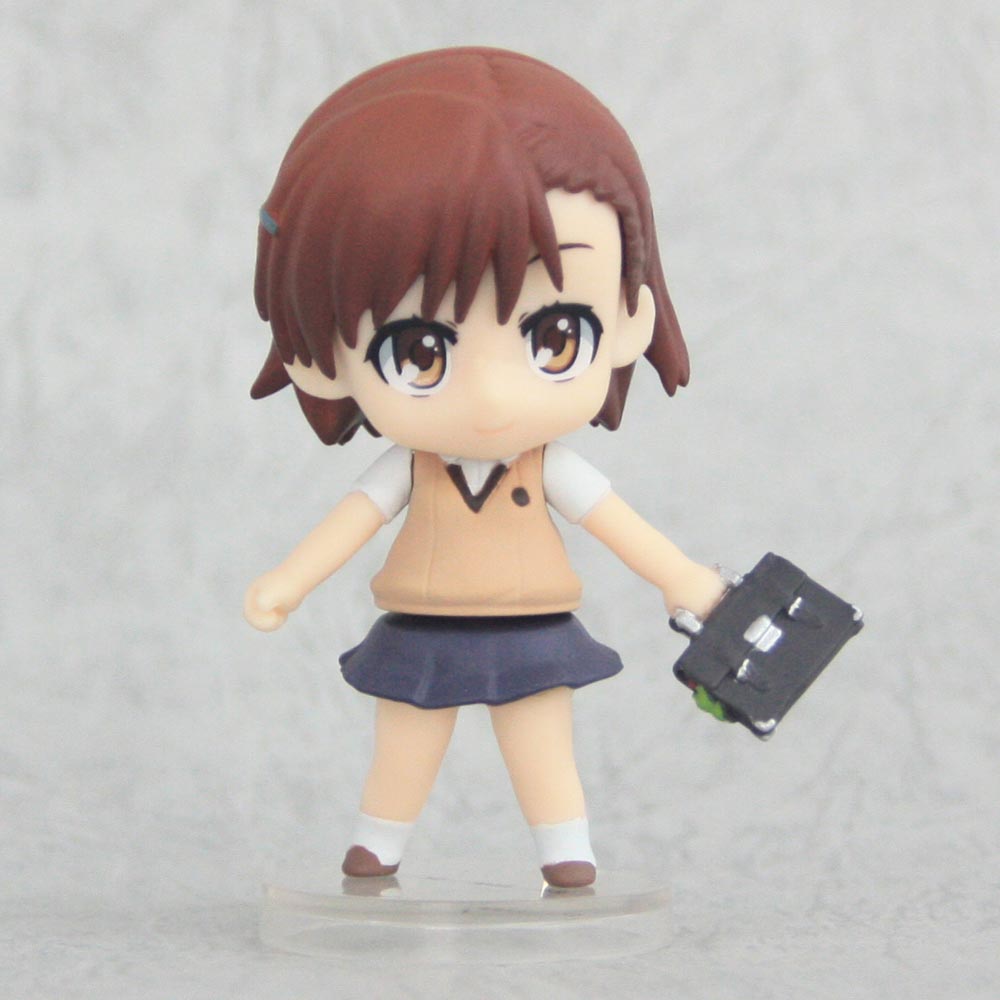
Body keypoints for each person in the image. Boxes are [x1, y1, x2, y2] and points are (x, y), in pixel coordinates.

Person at [244, 47, 726, 888]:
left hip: (533, 627)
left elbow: (617, 523)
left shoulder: (551, 468)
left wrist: (683, 578)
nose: (492, 398)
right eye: (419, 351)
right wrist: (288, 581)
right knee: (406, 741)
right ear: (318, 359)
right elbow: (352, 521)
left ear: (629, 319)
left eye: (555, 336)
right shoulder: (410, 470)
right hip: (422, 627)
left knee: (541, 742)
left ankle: (567, 847)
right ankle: (378, 841)